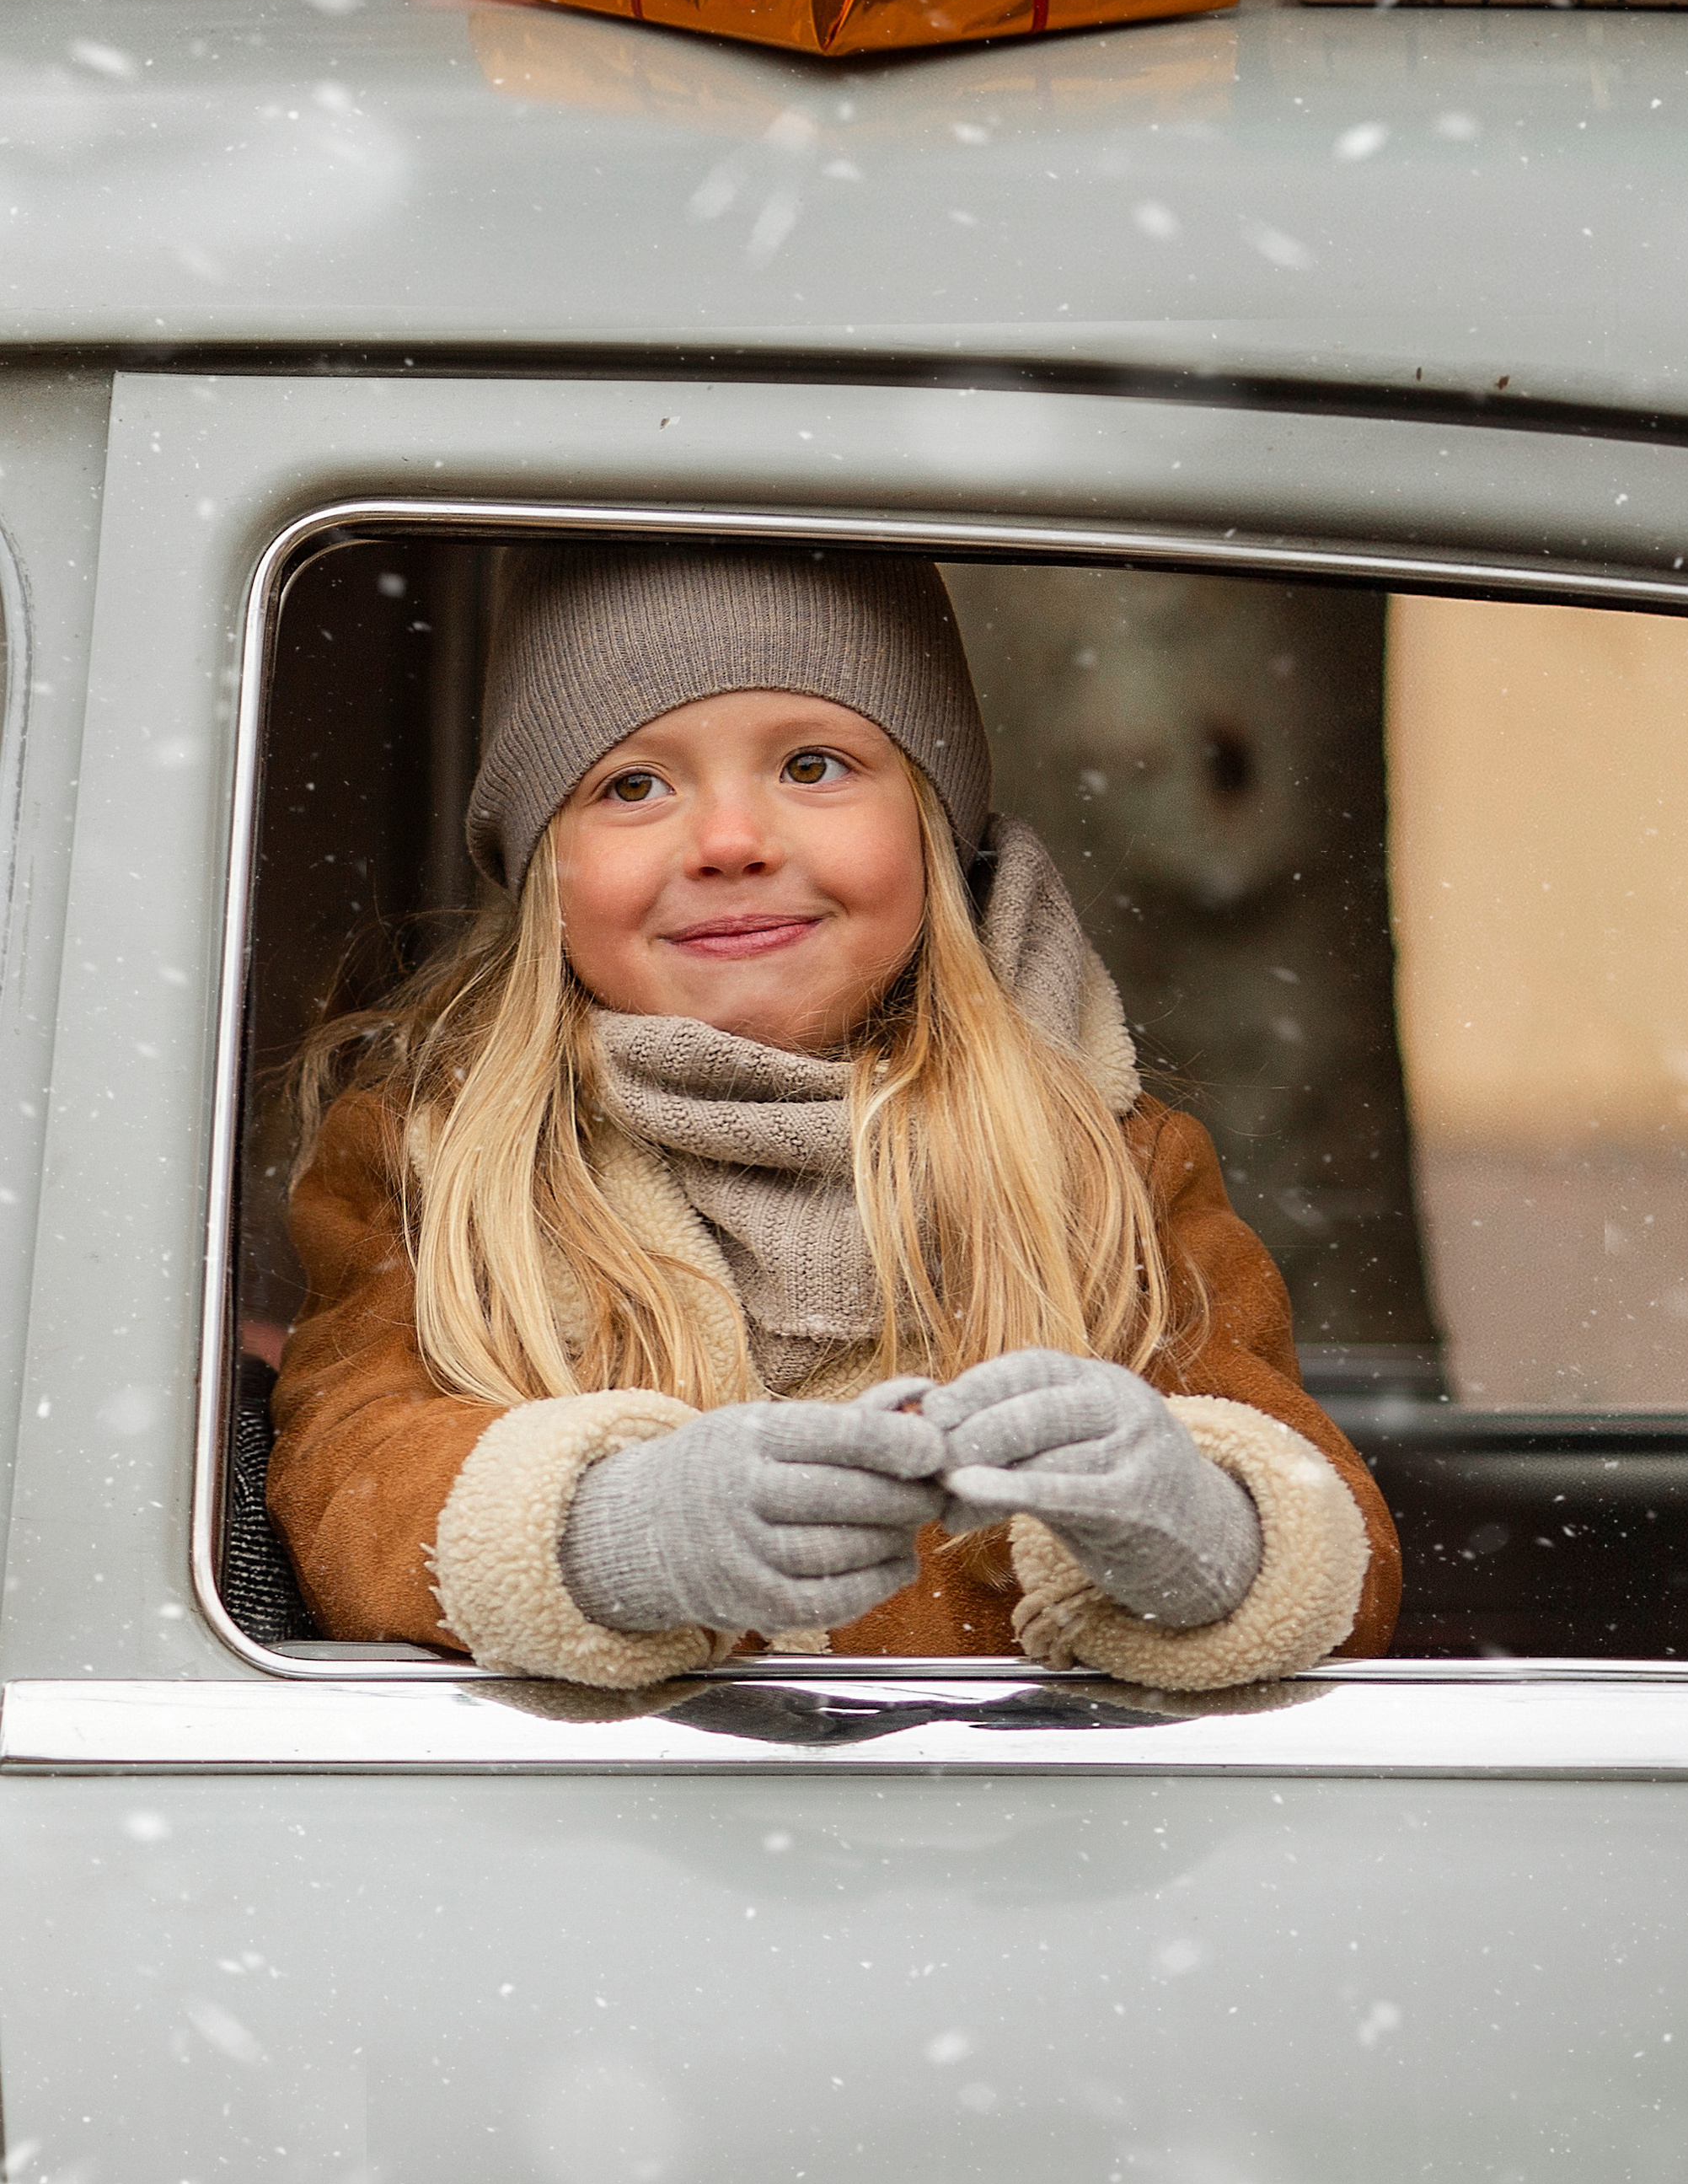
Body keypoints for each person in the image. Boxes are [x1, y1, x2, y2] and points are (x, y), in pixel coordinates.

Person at [267, 544, 1401, 1691]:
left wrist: (1195, 1529)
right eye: (633, 787)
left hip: (1012, 1800)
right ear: (542, 869)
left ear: (931, 827)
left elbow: (1336, 1556)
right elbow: (346, 1479)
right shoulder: (437, 1159)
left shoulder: (1113, 1162)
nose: (729, 843)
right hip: (610, 1800)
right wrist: (620, 1531)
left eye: (813, 765)